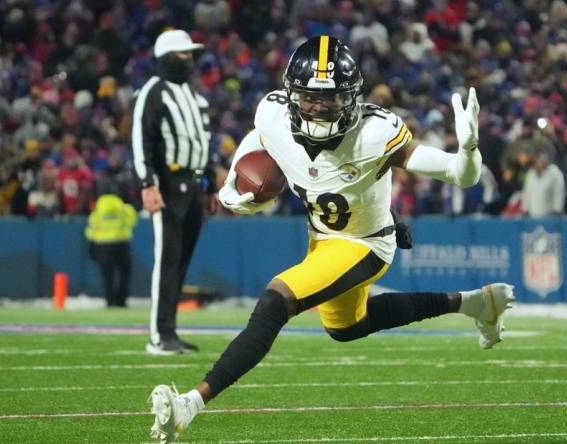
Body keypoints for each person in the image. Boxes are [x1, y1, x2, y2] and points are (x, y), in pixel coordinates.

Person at [148, 36, 515, 443]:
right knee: (347, 328)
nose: (320, 108)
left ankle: (190, 405)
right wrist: (234, 185)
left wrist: (468, 150)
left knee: (276, 301)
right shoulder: (272, 114)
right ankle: (476, 303)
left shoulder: (376, 133)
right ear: (291, 95)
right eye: (309, 97)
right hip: (323, 238)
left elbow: (460, 175)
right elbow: (258, 140)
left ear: (352, 97)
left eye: (332, 98)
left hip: (365, 244)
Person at [131, 29, 218, 355]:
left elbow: (204, 145)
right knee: (167, 262)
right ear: (167, 56)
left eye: (191, 54)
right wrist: (147, 184)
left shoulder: (196, 98)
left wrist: (209, 184)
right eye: (183, 54)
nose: (189, 59)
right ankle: (159, 335)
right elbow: (142, 142)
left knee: (180, 263)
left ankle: (170, 331)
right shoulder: (153, 92)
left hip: (194, 187)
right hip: (168, 184)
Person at [85, 193, 138, 307]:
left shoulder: (99, 206)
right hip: (121, 242)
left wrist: (92, 245)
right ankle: (121, 301)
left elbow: (92, 225)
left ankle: (109, 301)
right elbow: (132, 220)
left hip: (103, 245)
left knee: (107, 276)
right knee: (124, 274)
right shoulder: (122, 205)